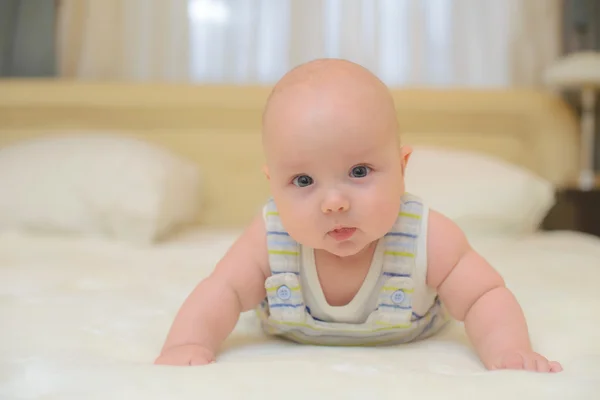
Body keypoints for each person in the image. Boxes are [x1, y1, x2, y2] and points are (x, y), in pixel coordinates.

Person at [154, 59, 562, 373]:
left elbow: (483, 297)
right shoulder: (270, 236)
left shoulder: (427, 236)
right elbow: (221, 291)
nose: (334, 202)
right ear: (273, 186)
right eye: (302, 180)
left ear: (402, 169)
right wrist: (187, 343)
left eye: (359, 172)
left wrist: (508, 349)